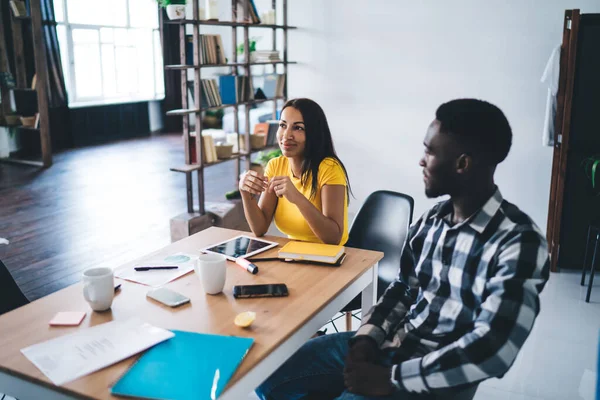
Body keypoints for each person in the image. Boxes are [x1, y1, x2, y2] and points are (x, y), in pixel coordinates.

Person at [255, 99, 550, 400]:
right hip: (393, 345)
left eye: (430, 151)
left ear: (463, 163)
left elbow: (495, 351)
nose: (421, 161)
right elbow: (402, 290)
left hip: (431, 377)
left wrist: (392, 378)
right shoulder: (431, 221)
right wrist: (365, 340)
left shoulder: (517, 242)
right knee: (267, 377)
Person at [239, 98, 351, 245]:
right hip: (295, 255)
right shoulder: (275, 166)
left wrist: (297, 198)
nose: (286, 135)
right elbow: (259, 228)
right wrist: (245, 193)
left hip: (331, 257)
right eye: (283, 125)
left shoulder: (330, 168)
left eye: (298, 128)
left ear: (314, 133)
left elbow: (333, 238)